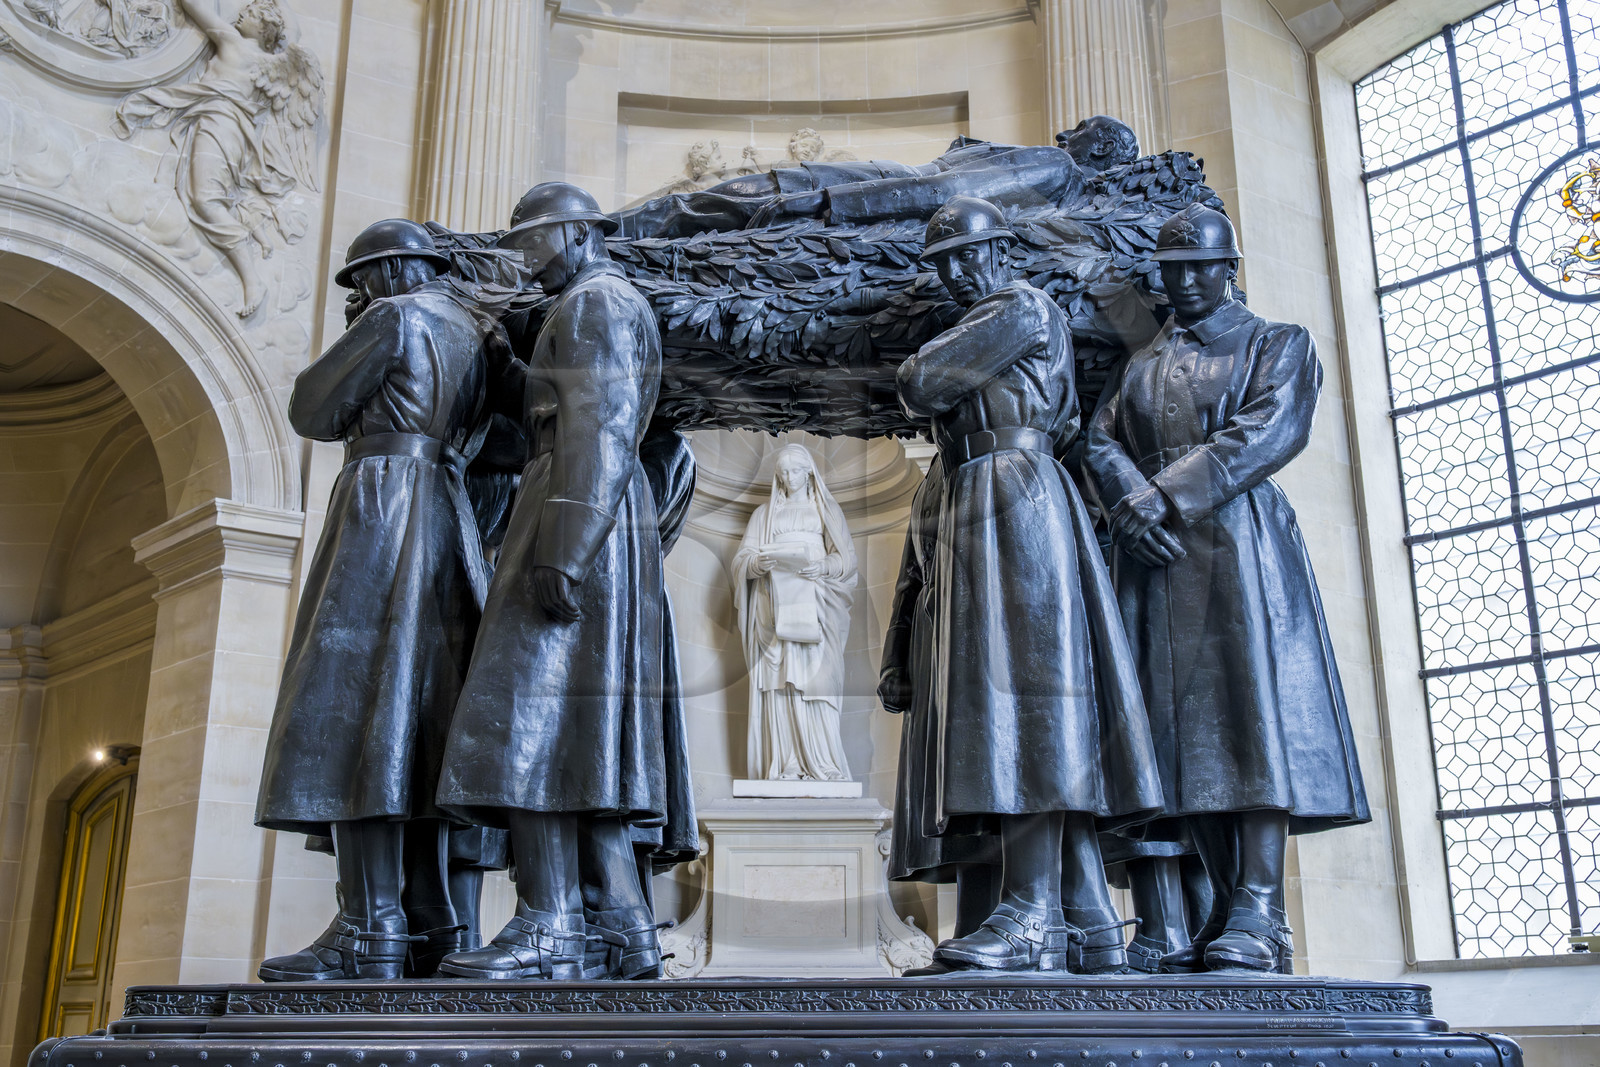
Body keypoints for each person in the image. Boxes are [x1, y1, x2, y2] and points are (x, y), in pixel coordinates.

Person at [1084, 203, 1370, 973]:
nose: (1183, 282)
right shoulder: (1143, 359)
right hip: (1151, 556)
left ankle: (1260, 910)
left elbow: (1273, 427)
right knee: (1174, 739)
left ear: (1227, 268)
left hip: (1238, 545)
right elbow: (1097, 438)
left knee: (1249, 718)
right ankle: (1211, 910)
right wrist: (1129, 505)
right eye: (1171, 271)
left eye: (1197, 267)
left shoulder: (1277, 342)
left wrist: (1163, 494)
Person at [892, 195, 1163, 973]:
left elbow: (921, 380)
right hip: (988, 490)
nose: (953, 271)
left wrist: (923, 369)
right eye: (943, 260)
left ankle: (1032, 913)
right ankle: (1083, 914)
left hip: (1013, 492)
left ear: (1001, 249)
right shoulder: (1005, 314)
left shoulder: (1020, 305)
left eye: (965, 254)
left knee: (1030, 695)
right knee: (1020, 695)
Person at [435, 182, 677, 981]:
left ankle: (549, 922)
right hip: (589, 507)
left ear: (574, 233)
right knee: (579, 740)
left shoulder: (595, 304)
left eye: (530, 240)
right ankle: (622, 923)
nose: (521, 256)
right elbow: (559, 410)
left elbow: (600, 430)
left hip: (574, 510)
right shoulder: (585, 308)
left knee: (525, 722)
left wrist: (563, 548)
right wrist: (506, 359)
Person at [253, 219, 500, 980]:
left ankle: (368, 923)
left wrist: (361, 331)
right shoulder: (475, 333)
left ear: (394, 270)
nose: (358, 294)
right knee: (419, 719)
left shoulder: (395, 317)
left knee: (356, 705)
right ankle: (430, 918)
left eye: (363, 280)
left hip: (383, 509)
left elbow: (311, 409)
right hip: (448, 515)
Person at [113, 0, 322, 317]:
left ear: (264, 28)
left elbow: (194, 6)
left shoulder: (234, 42)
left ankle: (251, 278)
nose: (240, 13)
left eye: (250, 13)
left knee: (206, 200)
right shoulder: (272, 64)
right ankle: (251, 239)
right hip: (229, 131)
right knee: (207, 197)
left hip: (220, 124)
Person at [611, 116, 1139, 239]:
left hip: (886, 184)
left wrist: (826, 202)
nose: (1068, 129)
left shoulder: (1056, 164)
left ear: (1106, 150)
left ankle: (608, 233)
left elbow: (944, 193)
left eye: (1086, 128)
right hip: (891, 182)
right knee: (729, 199)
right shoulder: (1058, 173)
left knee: (738, 197)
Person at [731, 444, 858, 783]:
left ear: (809, 473)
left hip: (817, 606)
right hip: (776, 611)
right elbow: (743, 558)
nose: (789, 477)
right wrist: (758, 563)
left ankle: (825, 763)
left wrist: (822, 566)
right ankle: (786, 763)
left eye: (795, 471)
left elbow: (846, 560)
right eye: (783, 472)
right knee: (782, 683)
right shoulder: (764, 515)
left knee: (819, 680)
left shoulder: (825, 511)